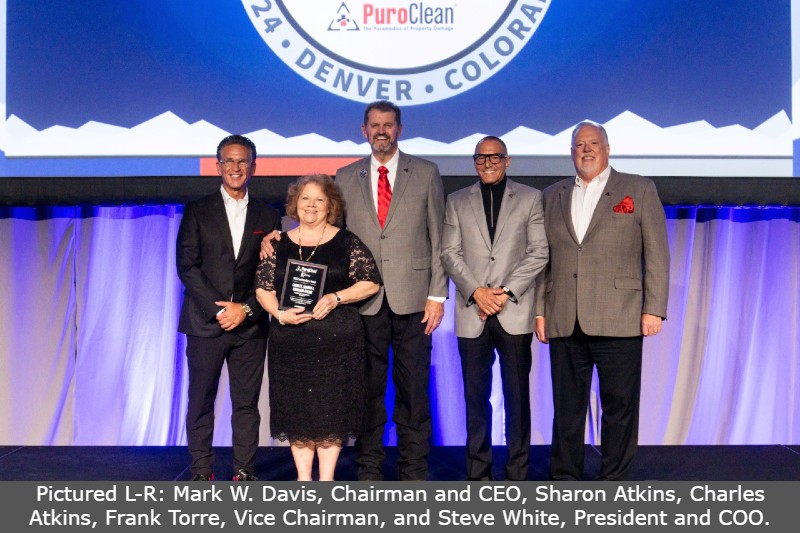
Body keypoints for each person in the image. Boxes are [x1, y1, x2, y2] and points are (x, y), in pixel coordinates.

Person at [534, 121, 670, 481]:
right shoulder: (552, 195)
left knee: (619, 408)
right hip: (564, 316)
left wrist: (653, 308)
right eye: (579, 145)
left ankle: (614, 483)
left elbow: (657, 253)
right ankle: (564, 481)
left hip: (620, 317)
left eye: (594, 143)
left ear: (607, 149)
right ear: (571, 152)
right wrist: (539, 311)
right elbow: (541, 259)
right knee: (566, 409)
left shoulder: (638, 189)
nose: (587, 150)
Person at [336, 100, 448, 481]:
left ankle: (413, 471)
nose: (381, 131)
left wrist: (437, 295)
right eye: (374, 125)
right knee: (366, 391)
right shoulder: (345, 175)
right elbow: (333, 236)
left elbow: (439, 237)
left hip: (415, 302)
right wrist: (279, 232)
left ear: (399, 129)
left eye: (388, 124)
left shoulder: (427, 172)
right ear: (363, 131)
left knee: (414, 393)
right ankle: (369, 469)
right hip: (363, 303)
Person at [255, 174, 380, 481]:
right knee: (297, 412)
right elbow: (262, 287)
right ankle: (303, 481)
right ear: (295, 205)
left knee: (330, 412)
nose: (311, 205)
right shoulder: (277, 243)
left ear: (330, 206)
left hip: (338, 345)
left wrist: (337, 297)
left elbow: (371, 282)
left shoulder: (346, 241)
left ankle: (325, 481)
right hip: (290, 343)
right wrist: (279, 314)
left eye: (319, 199)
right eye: (305, 199)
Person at [441, 136, 549, 481]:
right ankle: (479, 475)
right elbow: (449, 253)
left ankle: (517, 474)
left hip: (513, 310)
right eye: (480, 158)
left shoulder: (531, 198)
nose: (487, 164)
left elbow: (539, 252)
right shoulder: (457, 200)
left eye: (494, 158)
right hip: (473, 312)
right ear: (474, 162)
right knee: (475, 400)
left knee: (517, 399)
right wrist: (477, 291)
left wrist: (503, 293)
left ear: (507, 160)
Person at [176, 134, 281, 481]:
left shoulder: (269, 215)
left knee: (247, 405)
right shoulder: (197, 210)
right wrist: (220, 310)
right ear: (218, 165)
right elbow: (187, 266)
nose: (236, 168)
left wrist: (246, 310)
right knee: (201, 401)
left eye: (243, 161)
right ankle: (202, 470)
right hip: (206, 323)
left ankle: (243, 471)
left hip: (251, 326)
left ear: (253, 166)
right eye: (229, 161)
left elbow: (271, 274)